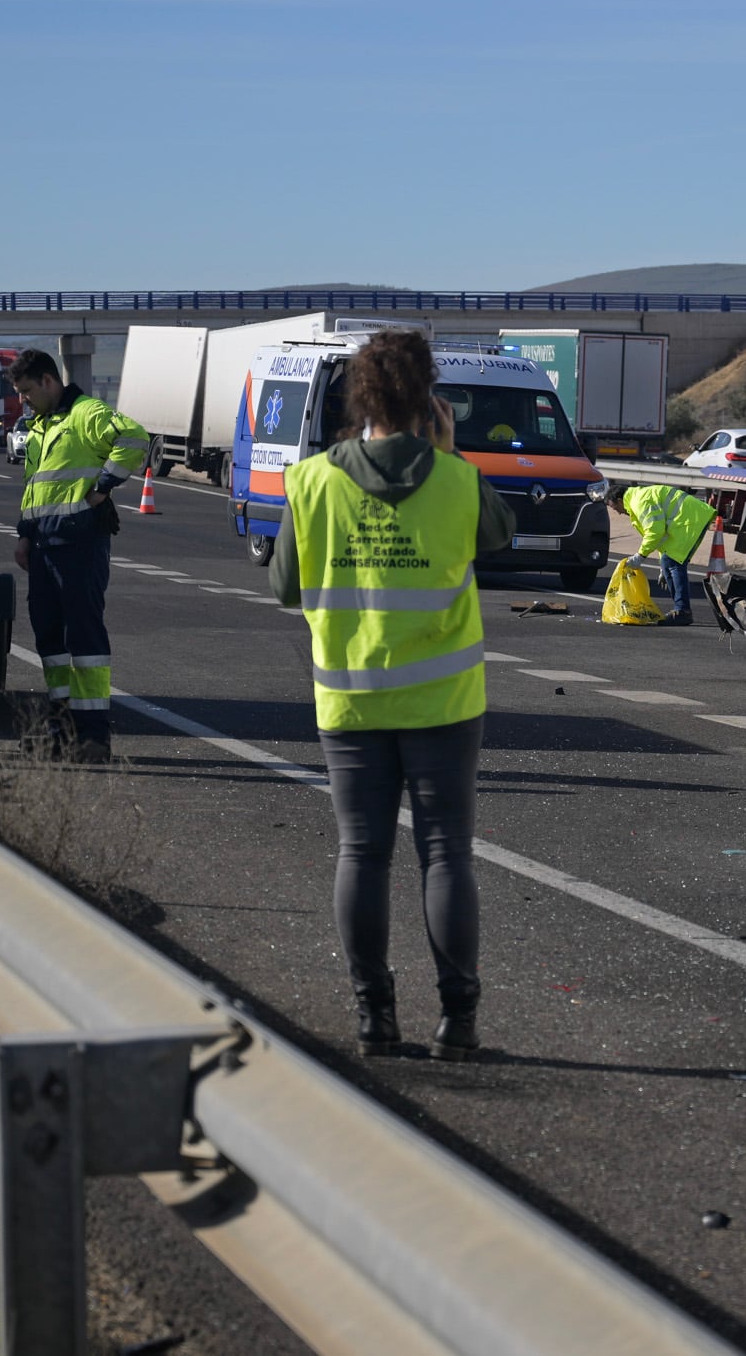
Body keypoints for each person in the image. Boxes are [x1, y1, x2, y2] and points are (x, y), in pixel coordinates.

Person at [272, 329, 513, 1060]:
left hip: (350, 702)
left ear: (362, 395)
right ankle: (457, 1020)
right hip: (442, 703)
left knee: (362, 852)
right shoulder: (454, 478)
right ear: (428, 397)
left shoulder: (312, 480)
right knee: (446, 856)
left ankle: (375, 1015)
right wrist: (451, 452)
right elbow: (499, 535)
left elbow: (285, 585)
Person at [8, 349, 148, 763]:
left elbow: (134, 437)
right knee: (50, 639)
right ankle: (62, 726)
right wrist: (24, 535)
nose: (23, 401)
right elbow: (35, 487)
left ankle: (92, 736)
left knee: (83, 639)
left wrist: (103, 487)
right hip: (45, 546)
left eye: (27, 391)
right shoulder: (42, 426)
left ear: (49, 381)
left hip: (79, 544)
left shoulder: (85, 413)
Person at [617, 482, 717, 627]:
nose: (619, 512)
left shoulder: (639, 502)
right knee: (668, 562)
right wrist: (661, 568)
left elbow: (655, 532)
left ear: (619, 500)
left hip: (688, 521)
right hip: (690, 518)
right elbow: (661, 537)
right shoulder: (638, 498)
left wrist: (640, 556)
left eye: (615, 507)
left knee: (672, 562)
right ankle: (681, 610)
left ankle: (682, 611)